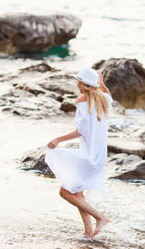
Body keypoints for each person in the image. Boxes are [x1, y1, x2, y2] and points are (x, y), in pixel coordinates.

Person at [45, 67, 113, 237]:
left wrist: (58, 139)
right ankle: (88, 232)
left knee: (65, 192)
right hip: (98, 157)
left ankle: (101, 218)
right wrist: (102, 83)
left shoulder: (83, 101)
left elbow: (80, 131)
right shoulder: (105, 100)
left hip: (88, 156)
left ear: (82, 84)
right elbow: (108, 94)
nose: (77, 83)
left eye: (79, 81)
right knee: (77, 192)